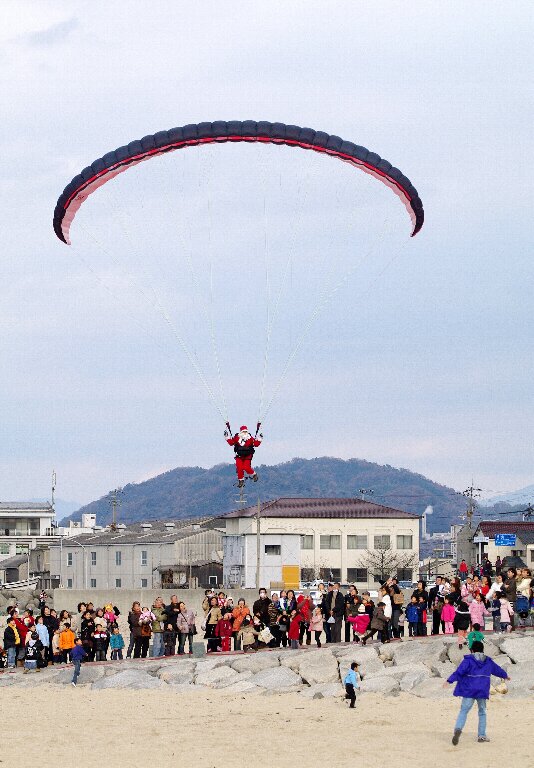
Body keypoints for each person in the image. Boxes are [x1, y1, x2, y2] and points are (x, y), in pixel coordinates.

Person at [445, 640, 509, 745]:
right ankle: (482, 736)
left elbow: (459, 672)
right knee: (482, 712)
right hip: (482, 690)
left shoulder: (468, 660)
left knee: (464, 711)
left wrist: (449, 680)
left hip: (469, 690)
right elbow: (497, 669)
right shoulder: (488, 661)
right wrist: (505, 675)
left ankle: (458, 729)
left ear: (472, 650)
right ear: (483, 650)